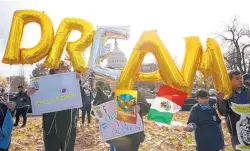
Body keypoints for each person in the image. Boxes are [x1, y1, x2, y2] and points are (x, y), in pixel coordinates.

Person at [27, 60, 81, 151]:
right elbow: (35, 105)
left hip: (68, 127)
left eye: (64, 69)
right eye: (57, 69)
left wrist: (78, 81)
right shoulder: (43, 84)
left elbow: (83, 98)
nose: (61, 71)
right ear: (53, 71)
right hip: (49, 127)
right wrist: (29, 94)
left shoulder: (74, 81)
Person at [107, 86, 151, 151]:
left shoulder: (137, 93)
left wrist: (139, 107)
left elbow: (146, 107)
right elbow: (105, 111)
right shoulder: (114, 94)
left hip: (133, 134)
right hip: (117, 134)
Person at [216, 70, 250, 151]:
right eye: (237, 78)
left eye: (241, 78)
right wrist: (221, 100)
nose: (240, 80)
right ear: (230, 81)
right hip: (236, 130)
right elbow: (223, 113)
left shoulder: (248, 91)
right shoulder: (226, 94)